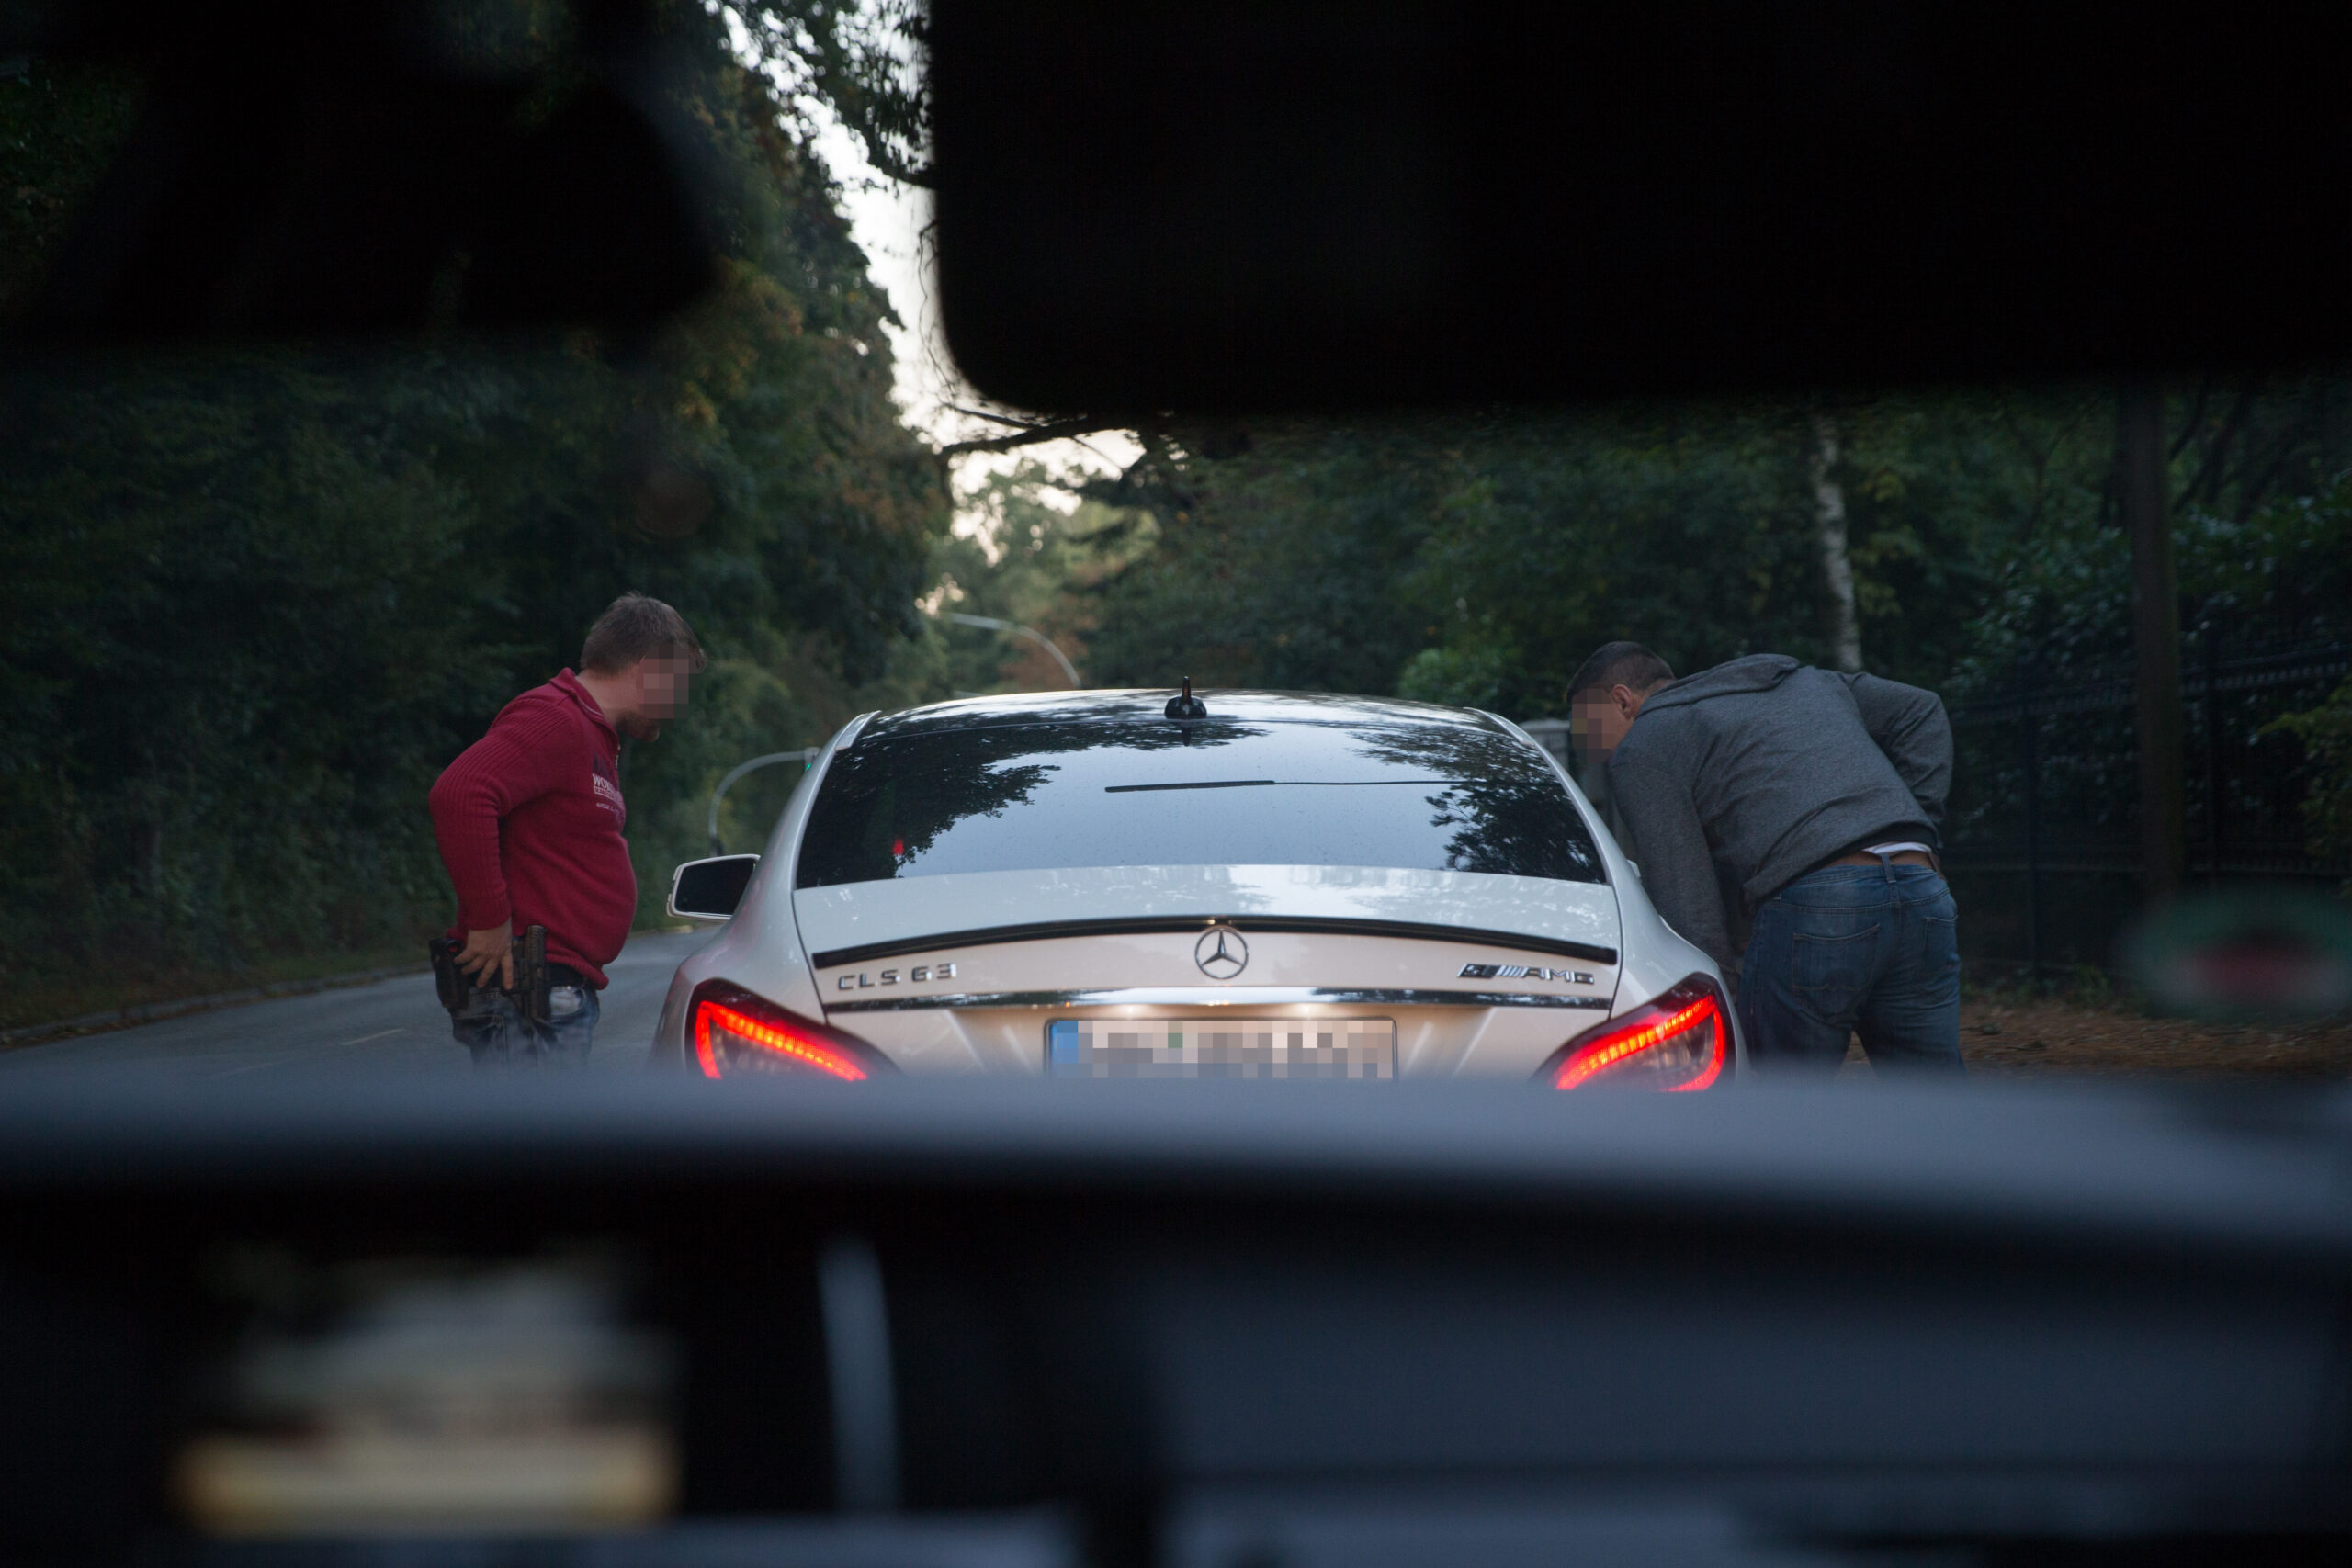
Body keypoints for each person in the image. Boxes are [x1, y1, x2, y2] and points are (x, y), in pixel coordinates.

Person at [1567, 640, 1961, 1076]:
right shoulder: (1805, 682)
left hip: (1818, 905)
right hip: (1923, 888)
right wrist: (1918, 824)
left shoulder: (1646, 742)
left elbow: (1686, 898)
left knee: (1782, 1109)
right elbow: (1921, 709)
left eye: (1591, 730)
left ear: (1622, 700)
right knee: (1934, 1100)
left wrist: (1721, 1004)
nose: (1596, 751)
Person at [428, 593, 705, 1066]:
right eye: (677, 684)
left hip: (549, 990)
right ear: (648, 670)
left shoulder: (593, 732)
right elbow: (460, 792)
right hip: (530, 990)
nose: (677, 705)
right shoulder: (556, 718)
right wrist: (492, 920)